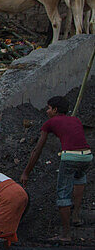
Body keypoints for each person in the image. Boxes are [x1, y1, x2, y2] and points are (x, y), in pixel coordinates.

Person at [21, 96, 90, 241]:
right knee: (79, 179)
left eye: (49, 108)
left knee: (63, 194)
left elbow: (37, 150)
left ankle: (66, 234)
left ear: (55, 109)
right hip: (87, 156)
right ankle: (76, 216)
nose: (47, 111)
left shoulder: (50, 123)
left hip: (70, 157)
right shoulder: (75, 120)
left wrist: (26, 172)